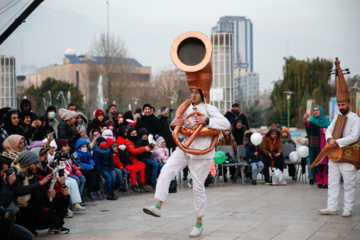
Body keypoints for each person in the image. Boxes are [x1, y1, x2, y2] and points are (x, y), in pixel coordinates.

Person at [143, 87, 230, 238]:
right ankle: (158, 205)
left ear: (202, 94)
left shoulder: (209, 108)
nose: (193, 95)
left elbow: (226, 124)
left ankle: (199, 223)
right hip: (184, 147)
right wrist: (173, 125)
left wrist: (207, 120)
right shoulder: (186, 107)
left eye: (197, 92)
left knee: (197, 187)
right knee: (166, 170)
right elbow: (179, 128)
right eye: (192, 92)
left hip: (201, 153)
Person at [12, 151, 70, 235]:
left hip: (34, 205)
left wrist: (50, 193)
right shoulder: (15, 174)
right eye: (35, 164)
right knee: (38, 213)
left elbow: (37, 196)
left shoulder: (32, 175)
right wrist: (41, 183)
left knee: (55, 216)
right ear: (27, 164)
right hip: (19, 208)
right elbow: (20, 191)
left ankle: (56, 226)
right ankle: (28, 228)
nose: (38, 166)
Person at [318, 100, 360, 217]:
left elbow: (354, 136)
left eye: (343, 105)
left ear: (349, 105)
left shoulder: (355, 118)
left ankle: (348, 209)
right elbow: (328, 130)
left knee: (349, 183)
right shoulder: (337, 118)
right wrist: (330, 139)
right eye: (339, 105)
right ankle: (332, 207)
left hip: (348, 155)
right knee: (332, 182)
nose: (341, 107)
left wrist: (337, 142)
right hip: (334, 154)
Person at [0, 157, 34, 240]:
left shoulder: (2, 182)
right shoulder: (4, 184)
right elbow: (3, 203)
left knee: (27, 236)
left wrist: (12, 185)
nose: (7, 174)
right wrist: (8, 185)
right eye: (5, 172)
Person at [303, 106, 330, 188]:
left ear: (321, 111)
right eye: (314, 110)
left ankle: (326, 182)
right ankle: (319, 182)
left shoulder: (327, 121)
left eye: (317, 110)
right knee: (317, 164)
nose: (316, 112)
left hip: (326, 146)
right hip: (316, 147)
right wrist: (305, 119)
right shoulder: (312, 122)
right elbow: (307, 125)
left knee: (326, 165)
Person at [126, 128, 154, 192]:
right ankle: (144, 184)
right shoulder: (129, 142)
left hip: (136, 158)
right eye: (133, 134)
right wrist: (144, 148)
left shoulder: (136, 140)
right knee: (146, 166)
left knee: (146, 166)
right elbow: (133, 151)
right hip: (131, 159)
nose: (135, 135)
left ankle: (143, 183)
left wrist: (150, 146)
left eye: (136, 133)